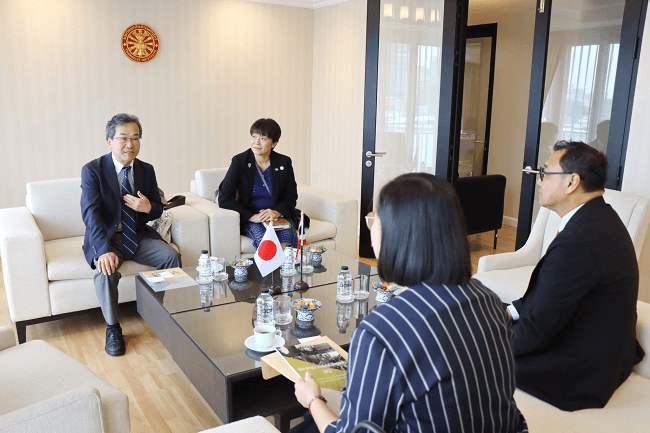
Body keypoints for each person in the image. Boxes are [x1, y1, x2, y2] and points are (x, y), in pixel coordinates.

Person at [292, 173, 527, 433]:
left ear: (396, 235)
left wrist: (313, 399)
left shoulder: (381, 330)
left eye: (374, 220)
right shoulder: (488, 300)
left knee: (307, 425)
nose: (371, 230)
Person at [506, 140, 645, 411]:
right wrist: (508, 312)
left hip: (581, 371)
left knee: (466, 349)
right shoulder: (598, 218)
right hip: (594, 343)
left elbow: (537, 330)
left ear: (572, 182)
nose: (539, 180)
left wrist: (483, 341)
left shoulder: (580, 240)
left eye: (545, 173)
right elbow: (549, 297)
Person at [81, 113, 181, 357]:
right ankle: (113, 328)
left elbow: (157, 208)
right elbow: (91, 214)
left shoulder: (146, 169)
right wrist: (102, 250)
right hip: (107, 238)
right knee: (105, 271)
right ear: (109, 142)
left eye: (135, 138)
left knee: (171, 256)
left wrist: (148, 208)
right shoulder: (93, 170)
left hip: (136, 235)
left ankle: (166, 314)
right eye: (123, 138)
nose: (130, 144)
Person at [217, 118, 298, 248]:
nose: (256, 142)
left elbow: (291, 197)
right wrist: (251, 216)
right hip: (253, 217)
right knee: (266, 244)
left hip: (276, 217)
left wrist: (277, 212)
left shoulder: (284, 162)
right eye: (254, 136)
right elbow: (224, 198)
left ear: (274, 143)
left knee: (287, 244)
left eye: (263, 138)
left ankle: (289, 263)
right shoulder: (240, 161)